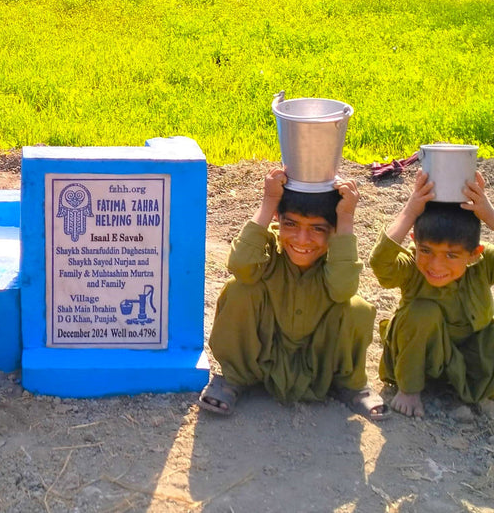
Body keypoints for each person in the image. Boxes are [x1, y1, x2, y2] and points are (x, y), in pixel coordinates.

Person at [197, 168, 388, 420]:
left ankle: (350, 385)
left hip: (317, 364)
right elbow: (240, 264)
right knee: (238, 290)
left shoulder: (334, 263)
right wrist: (268, 203)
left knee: (357, 307)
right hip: (264, 357)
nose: (302, 239)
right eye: (291, 224)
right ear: (278, 220)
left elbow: (343, 289)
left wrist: (346, 218)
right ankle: (233, 379)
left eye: (317, 229)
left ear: (332, 231)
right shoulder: (268, 256)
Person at [370, 170, 494, 418]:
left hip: (469, 357)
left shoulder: (483, 263)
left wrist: (488, 214)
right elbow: (380, 263)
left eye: (451, 255)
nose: (435, 266)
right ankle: (409, 390)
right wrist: (410, 210)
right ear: (415, 242)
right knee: (421, 312)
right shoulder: (411, 267)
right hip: (418, 357)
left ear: (474, 253)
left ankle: (480, 389)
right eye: (426, 250)